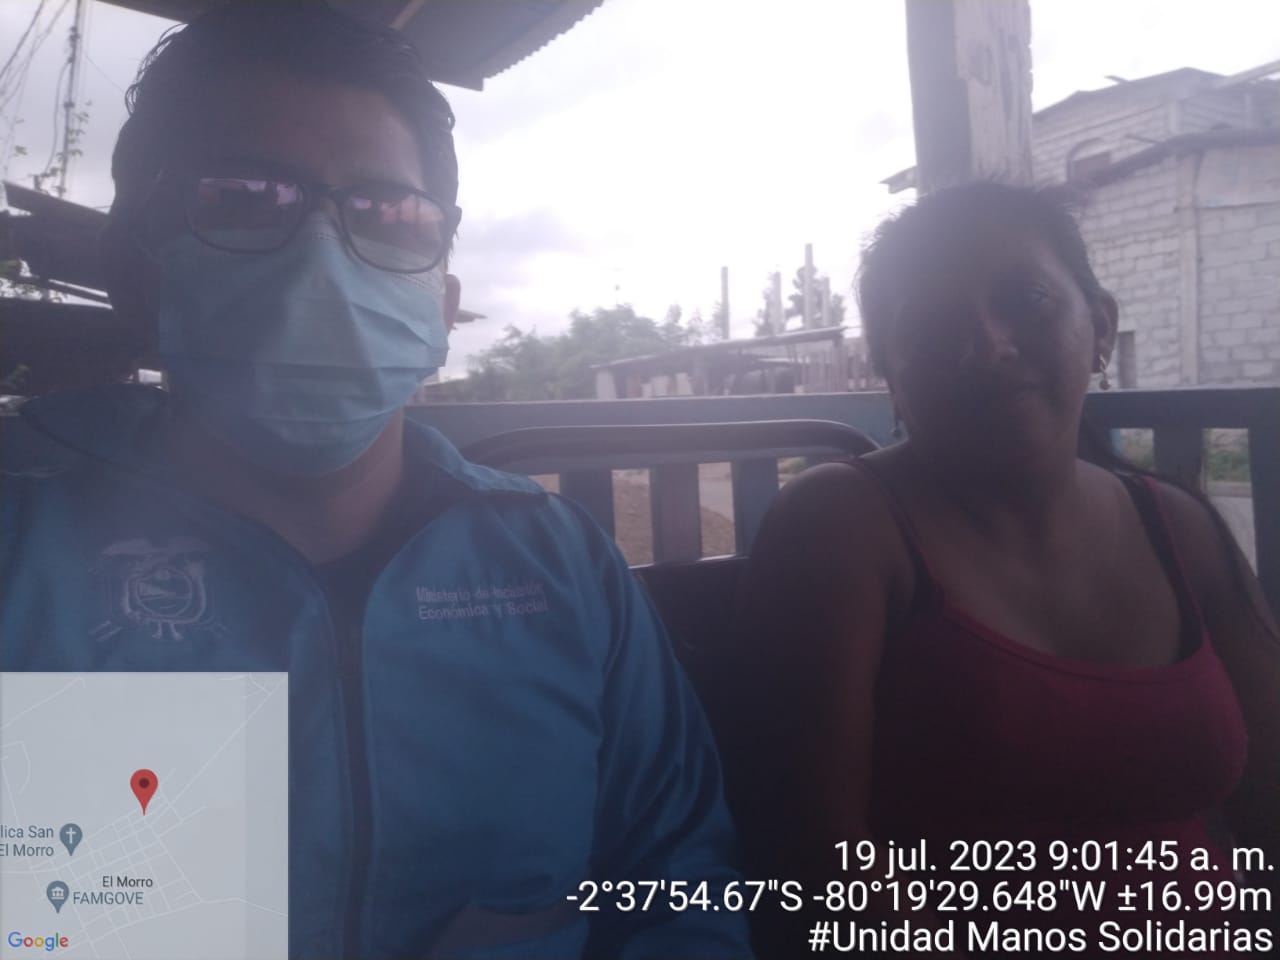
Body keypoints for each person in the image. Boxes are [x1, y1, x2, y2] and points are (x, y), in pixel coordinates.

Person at [0, 5, 751, 958]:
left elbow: (680, 890)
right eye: (245, 198)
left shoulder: (559, 566)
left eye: (387, 212)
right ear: (136, 268)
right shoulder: (24, 552)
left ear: (440, 297)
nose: (321, 258)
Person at [727, 182, 1279, 956]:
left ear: (1100, 328)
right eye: (932, 324)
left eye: (1027, 301)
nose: (988, 345)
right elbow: (817, 868)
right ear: (890, 372)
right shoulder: (842, 527)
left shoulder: (1178, 527)